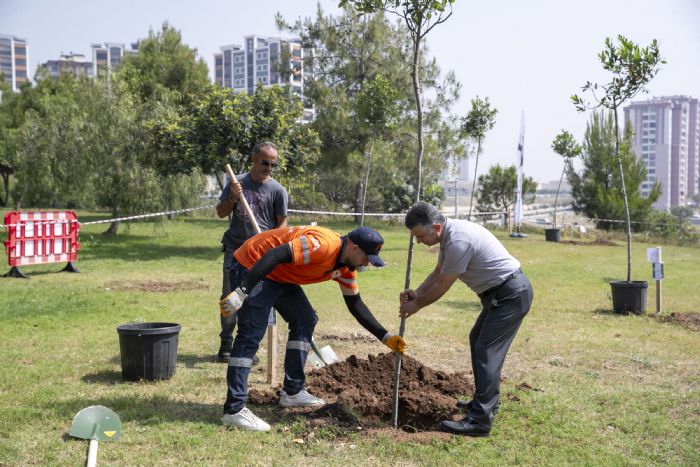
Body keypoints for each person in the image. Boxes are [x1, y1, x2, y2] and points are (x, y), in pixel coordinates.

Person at [220, 225, 407, 432]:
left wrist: (386, 337)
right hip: (253, 263)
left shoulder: (346, 269)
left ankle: (293, 391)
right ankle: (234, 410)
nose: (366, 264)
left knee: (305, 319)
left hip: (281, 275)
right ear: (354, 248)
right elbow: (274, 255)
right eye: (366, 258)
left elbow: (356, 305)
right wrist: (241, 292)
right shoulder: (322, 245)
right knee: (251, 333)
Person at [398, 201, 533, 437]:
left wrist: (417, 304)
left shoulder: (459, 241)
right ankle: (485, 403)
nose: (418, 241)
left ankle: (479, 422)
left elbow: (443, 284)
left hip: (510, 294)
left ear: (436, 227)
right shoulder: (449, 236)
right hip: (501, 295)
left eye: (419, 236)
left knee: (486, 350)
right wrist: (417, 293)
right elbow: (437, 273)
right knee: (478, 340)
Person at [215, 142, 288, 362]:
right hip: (235, 249)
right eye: (265, 162)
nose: (269, 167)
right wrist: (233, 198)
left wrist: (272, 247)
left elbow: (282, 224)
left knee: (253, 300)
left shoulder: (277, 190)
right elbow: (220, 212)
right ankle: (226, 344)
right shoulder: (237, 182)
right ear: (253, 159)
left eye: (273, 164)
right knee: (230, 296)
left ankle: (245, 346)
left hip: (261, 255)